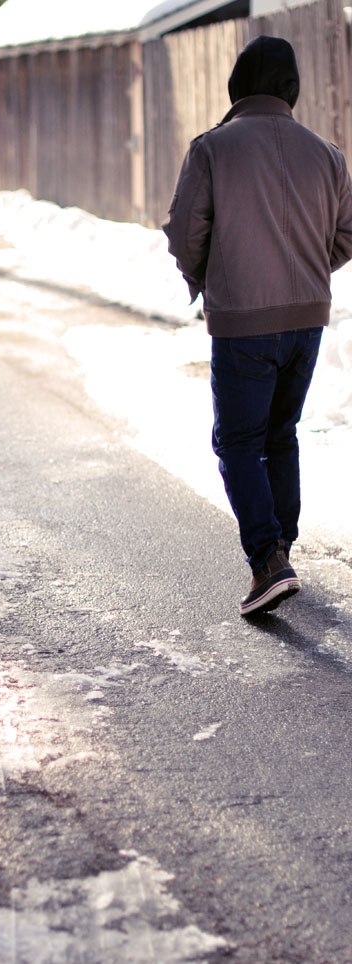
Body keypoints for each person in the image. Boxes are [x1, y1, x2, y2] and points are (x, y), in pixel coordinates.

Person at [163, 35, 352, 616]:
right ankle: (281, 551)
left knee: (239, 442)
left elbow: (182, 233)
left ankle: (268, 560)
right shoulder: (328, 154)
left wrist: (218, 279)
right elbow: (346, 234)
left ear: (236, 87)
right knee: (280, 434)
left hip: (244, 320)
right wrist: (303, 274)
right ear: (291, 90)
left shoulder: (214, 148)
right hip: (307, 320)